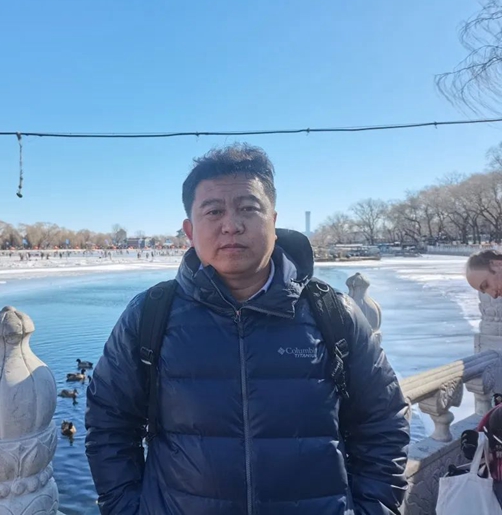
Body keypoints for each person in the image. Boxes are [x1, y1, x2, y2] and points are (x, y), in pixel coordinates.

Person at [85, 143, 410, 515]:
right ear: (190, 230)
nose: (231, 225)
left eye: (248, 208)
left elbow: (383, 422)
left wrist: (373, 509)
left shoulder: (333, 313)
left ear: (273, 220)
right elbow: (109, 423)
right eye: (214, 211)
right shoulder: (150, 315)